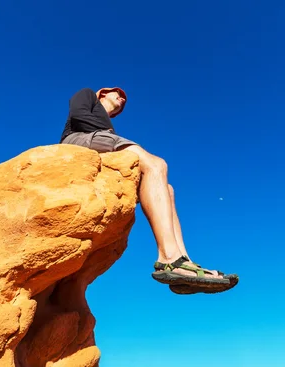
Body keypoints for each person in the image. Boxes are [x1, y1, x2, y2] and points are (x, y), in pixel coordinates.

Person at [59, 87, 238, 295]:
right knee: (156, 165)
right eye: (116, 92)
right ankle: (169, 258)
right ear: (102, 94)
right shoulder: (88, 94)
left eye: (124, 98)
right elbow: (78, 114)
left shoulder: (108, 129)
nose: (122, 97)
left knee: (167, 190)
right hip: (80, 139)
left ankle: (183, 260)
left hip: (98, 144)